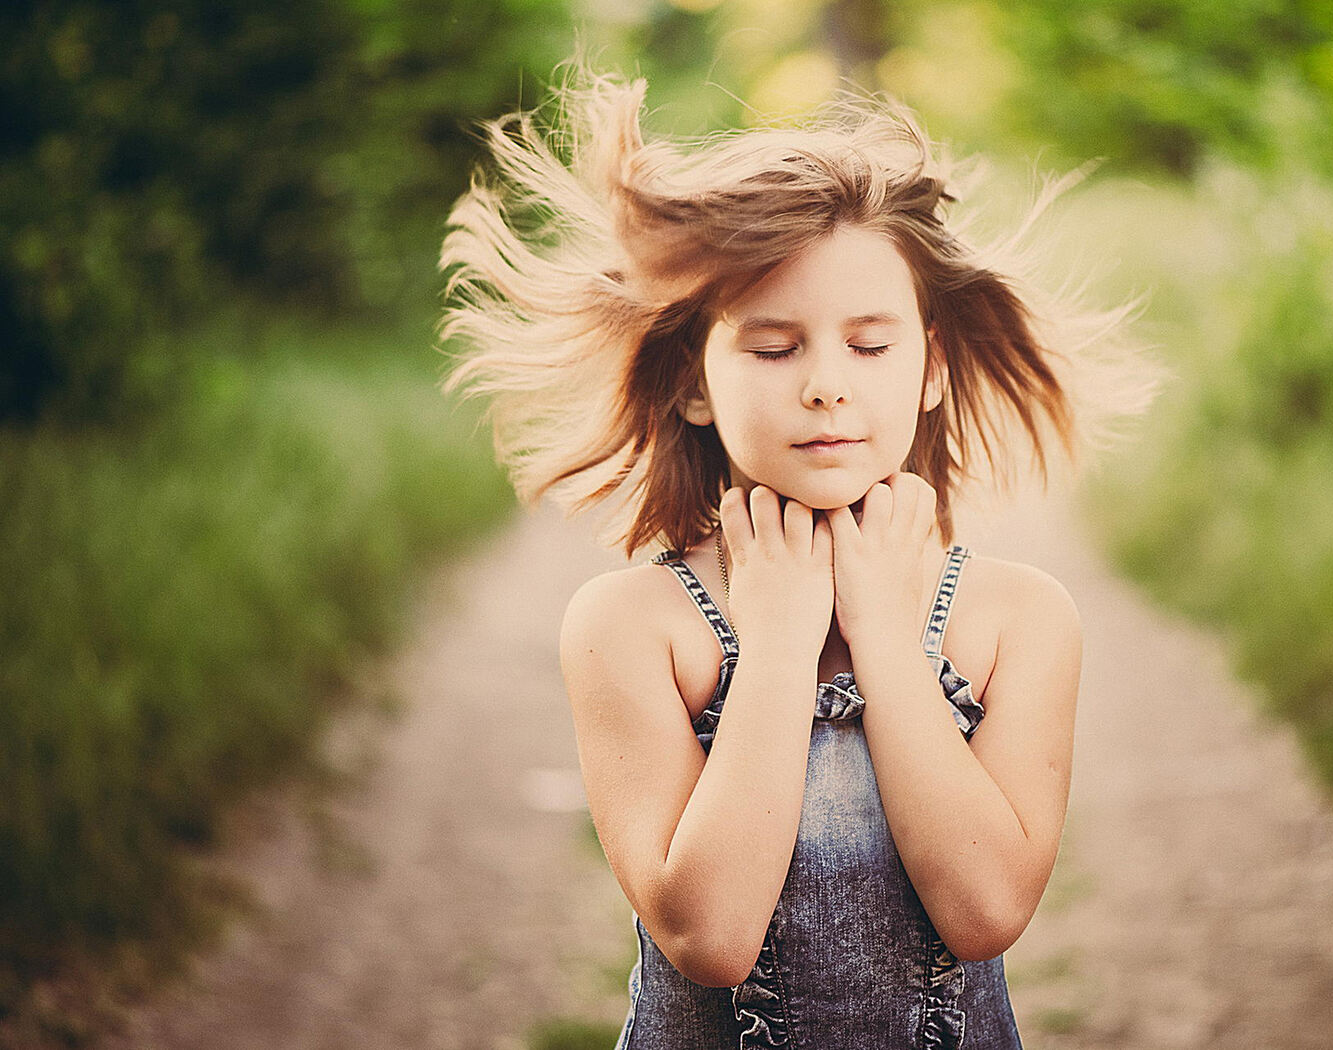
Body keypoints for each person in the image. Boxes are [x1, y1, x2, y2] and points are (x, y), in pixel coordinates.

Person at [439, 68, 1155, 1049]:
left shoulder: (1018, 620)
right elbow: (711, 936)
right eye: (772, 348)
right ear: (695, 381)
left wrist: (886, 640)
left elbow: (986, 910)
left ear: (932, 365)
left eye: (869, 344)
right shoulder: (634, 627)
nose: (826, 386)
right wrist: (775, 644)